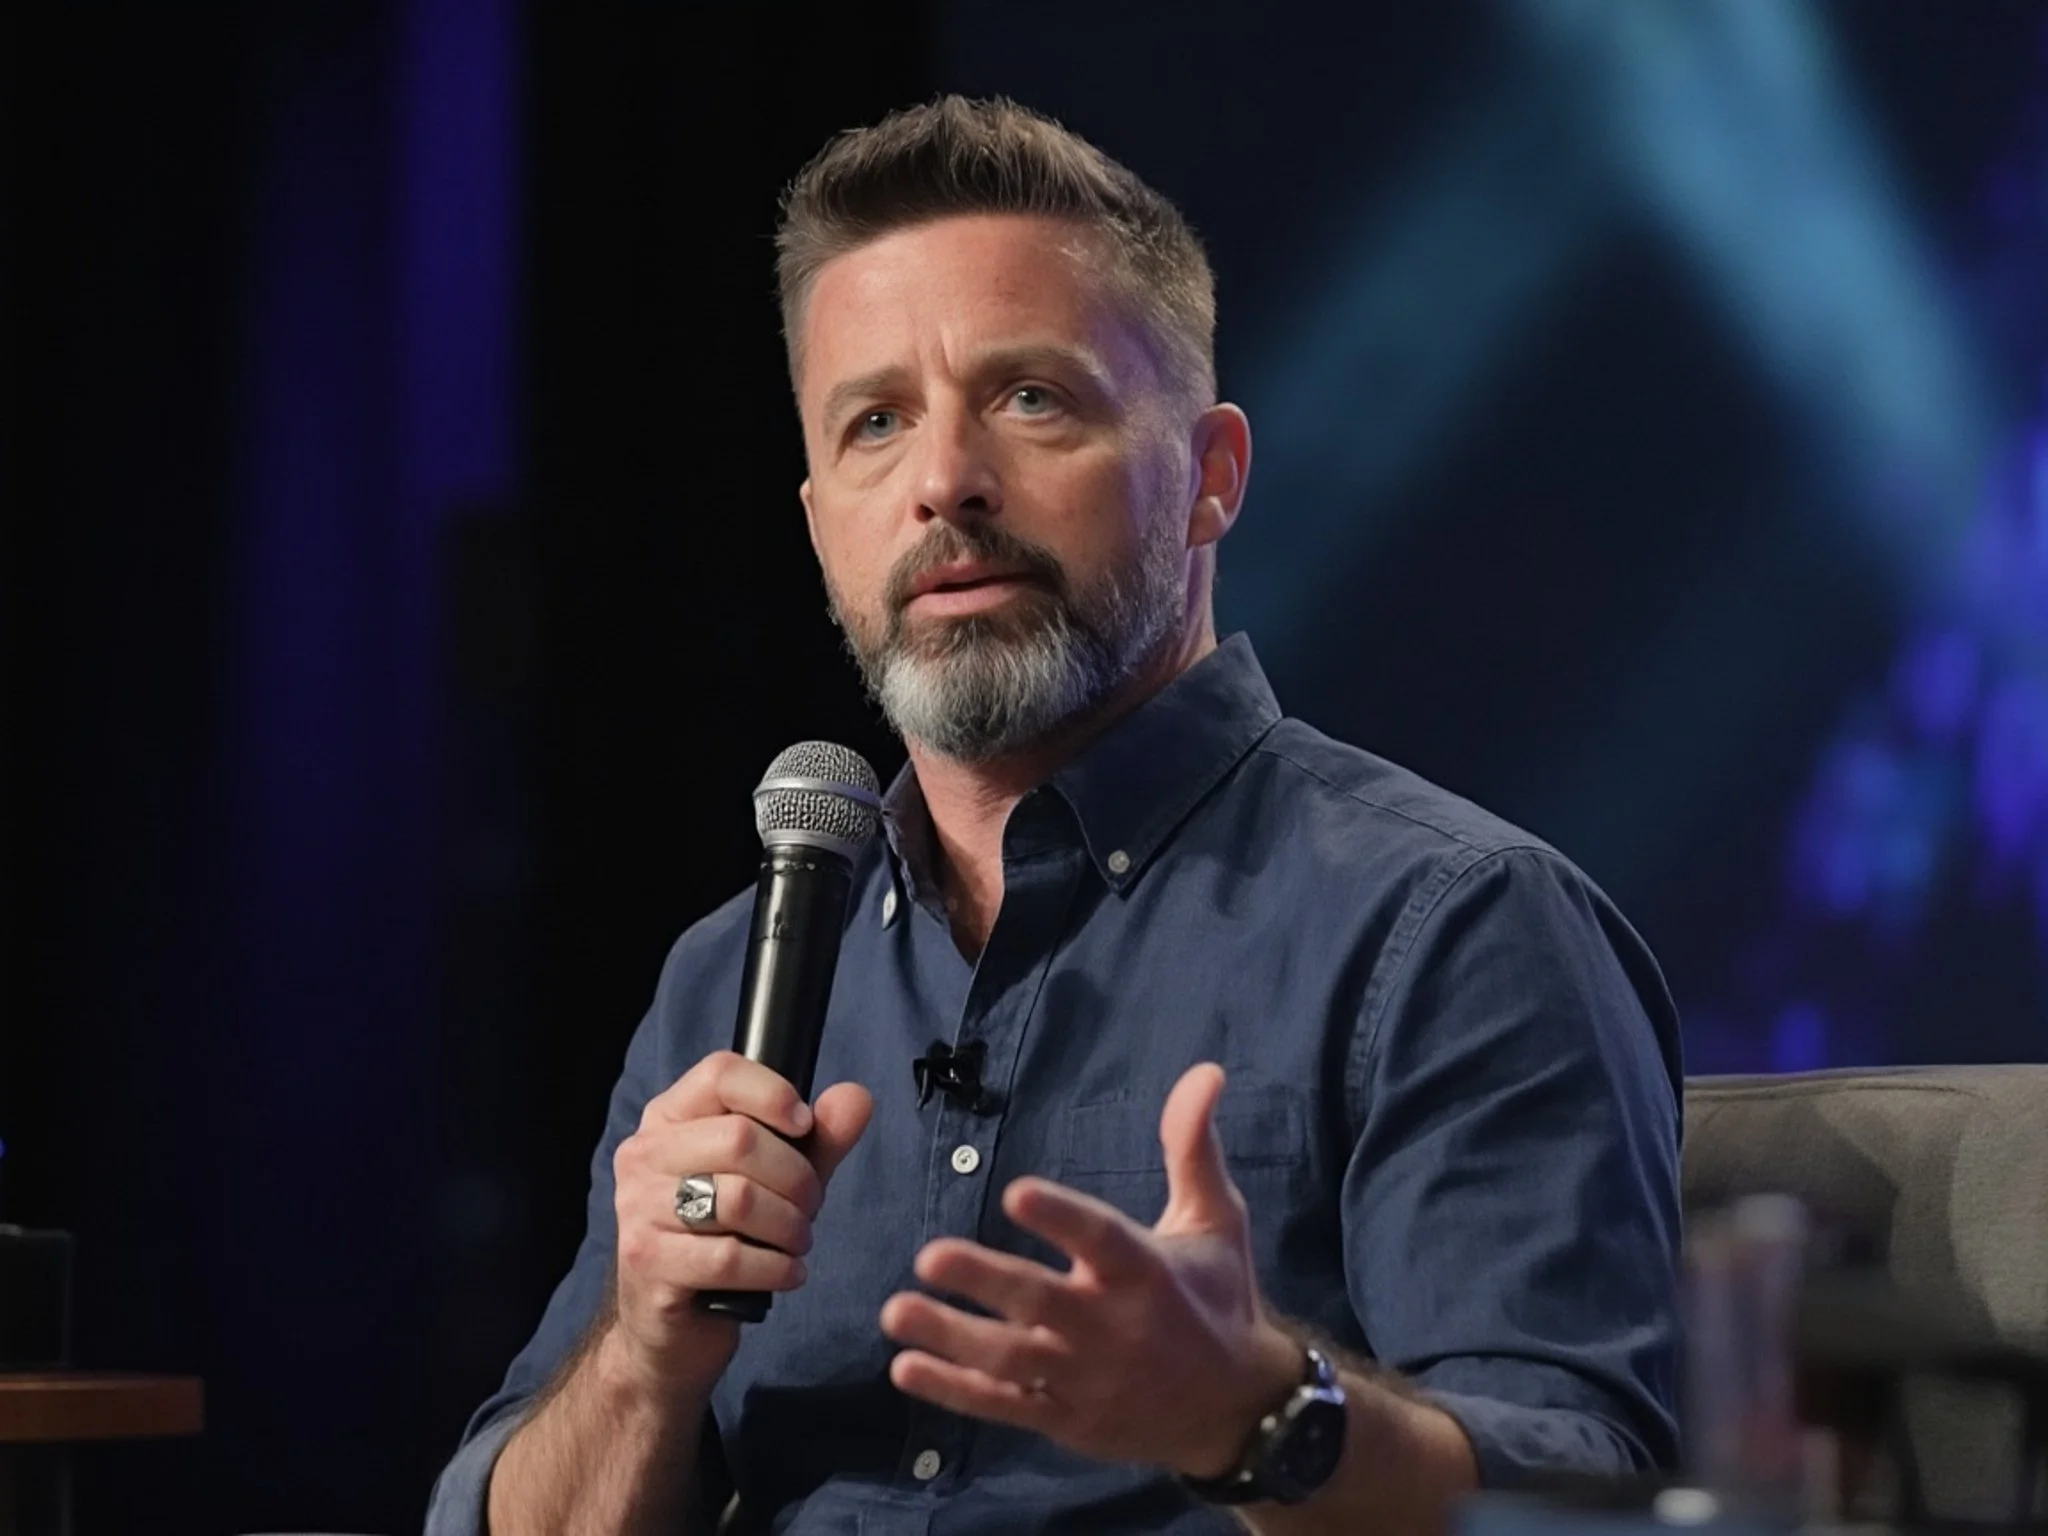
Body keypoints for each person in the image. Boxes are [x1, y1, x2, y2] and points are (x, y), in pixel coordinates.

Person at [427, 95, 1682, 1536]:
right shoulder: (727, 981)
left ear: (1210, 479)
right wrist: (648, 1351)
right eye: (876, 423)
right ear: (822, 518)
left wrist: (1259, 1415)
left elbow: (1592, 1504)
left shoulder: (1454, 925)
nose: (944, 483)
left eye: (1033, 398)